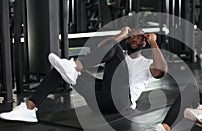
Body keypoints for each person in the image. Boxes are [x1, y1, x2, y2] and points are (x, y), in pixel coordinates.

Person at [0, 27, 167, 122]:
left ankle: (75, 66)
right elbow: (101, 47)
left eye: (140, 38)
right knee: (62, 69)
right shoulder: (119, 53)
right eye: (132, 37)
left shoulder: (146, 63)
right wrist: (121, 35)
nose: (135, 40)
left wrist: (153, 41)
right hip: (99, 101)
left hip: (121, 104)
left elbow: (160, 71)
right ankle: (29, 107)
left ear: (144, 42)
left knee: (113, 50)